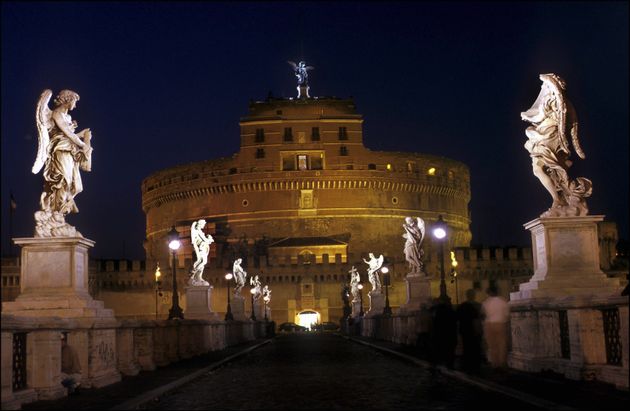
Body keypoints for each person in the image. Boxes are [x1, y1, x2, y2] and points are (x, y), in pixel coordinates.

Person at [521, 73, 591, 217]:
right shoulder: (564, 103)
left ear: (550, 85)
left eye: (544, 84)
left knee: (543, 168)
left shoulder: (554, 100)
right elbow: (573, 127)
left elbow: (544, 116)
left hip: (548, 136)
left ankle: (558, 199)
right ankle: (560, 198)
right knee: (543, 169)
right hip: (546, 135)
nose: (542, 87)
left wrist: (527, 116)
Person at [33, 89, 93, 237]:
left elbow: (69, 134)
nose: (75, 105)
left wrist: (83, 134)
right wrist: (82, 143)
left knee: (76, 186)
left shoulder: (67, 116)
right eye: (74, 101)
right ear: (67, 99)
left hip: (69, 151)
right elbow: (67, 133)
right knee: (63, 181)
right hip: (60, 150)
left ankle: (59, 213)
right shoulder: (56, 114)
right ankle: (56, 215)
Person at [481, 285, 510, 368]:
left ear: (489, 293)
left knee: (492, 346)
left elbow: (483, 315)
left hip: (489, 324)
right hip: (501, 324)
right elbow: (507, 315)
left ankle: (495, 364)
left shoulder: (486, 302)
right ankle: (502, 363)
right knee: (502, 345)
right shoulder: (503, 301)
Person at [456, 289, 483, 373]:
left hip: (464, 330)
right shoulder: (477, 306)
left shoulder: (461, 306)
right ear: (473, 296)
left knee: (466, 347)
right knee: (475, 347)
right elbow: (478, 319)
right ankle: (474, 365)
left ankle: (467, 365)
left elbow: (457, 319)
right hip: (473, 330)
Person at [429, 299, 458, 369]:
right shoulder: (451, 311)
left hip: (439, 334)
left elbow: (433, 324)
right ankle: (450, 365)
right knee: (450, 351)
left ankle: (438, 364)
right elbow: (455, 323)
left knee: (439, 350)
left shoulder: (436, 312)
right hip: (450, 334)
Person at [190, 219, 214, 286]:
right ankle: (193, 273)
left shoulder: (199, 231)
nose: (204, 225)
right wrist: (209, 239)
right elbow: (204, 239)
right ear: (200, 224)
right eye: (203, 224)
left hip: (202, 249)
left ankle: (198, 277)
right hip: (201, 249)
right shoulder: (198, 231)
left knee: (202, 265)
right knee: (203, 261)